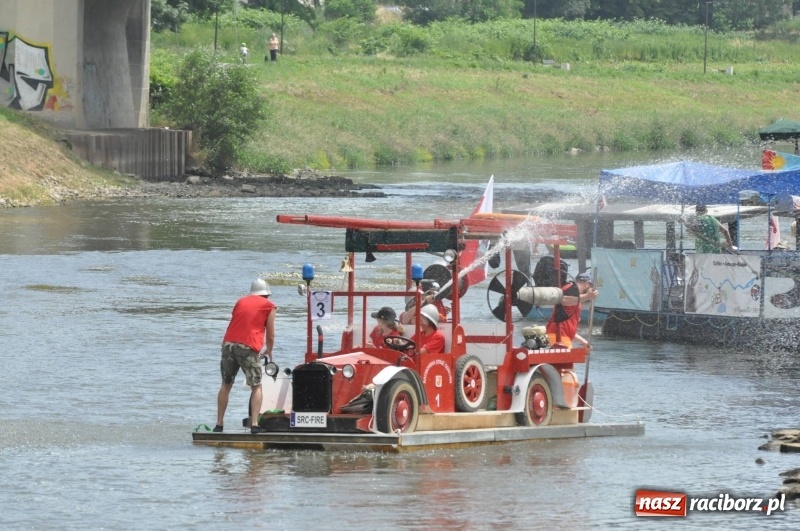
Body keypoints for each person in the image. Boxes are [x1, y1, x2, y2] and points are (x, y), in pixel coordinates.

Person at [215, 278, 276, 434]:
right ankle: (255, 425)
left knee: (226, 384)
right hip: (247, 346)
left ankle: (219, 425)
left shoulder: (240, 301)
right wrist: (269, 350)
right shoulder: (269, 305)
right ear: (266, 295)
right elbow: (270, 334)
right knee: (256, 385)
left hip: (228, 344)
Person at [546, 272, 598, 349]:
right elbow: (563, 300)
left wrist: (583, 341)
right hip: (558, 337)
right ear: (587, 284)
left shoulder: (576, 298)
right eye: (590, 287)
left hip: (563, 336)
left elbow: (569, 327)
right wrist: (587, 296)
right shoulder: (570, 288)